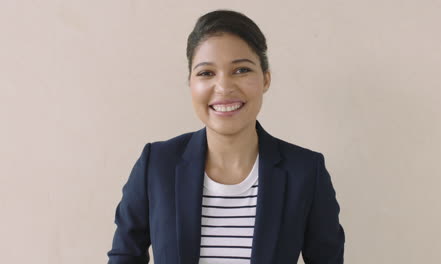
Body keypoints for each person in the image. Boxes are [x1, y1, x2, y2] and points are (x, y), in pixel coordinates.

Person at [107, 9, 345, 264]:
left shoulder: (306, 171)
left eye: (241, 70)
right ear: (190, 82)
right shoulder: (156, 165)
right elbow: (125, 256)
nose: (224, 87)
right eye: (206, 73)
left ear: (265, 79)